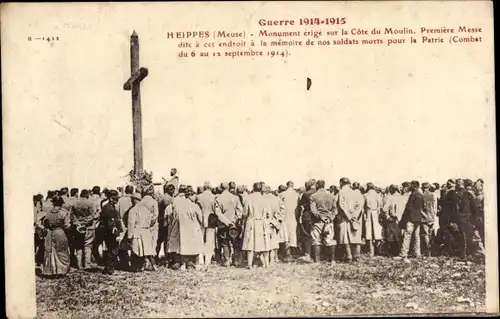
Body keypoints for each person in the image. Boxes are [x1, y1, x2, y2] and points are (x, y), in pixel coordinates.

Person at [166, 186, 204, 270]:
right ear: (190, 195)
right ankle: (194, 263)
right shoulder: (195, 206)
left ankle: (183, 263)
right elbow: (201, 219)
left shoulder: (179, 205)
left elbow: (174, 217)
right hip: (193, 228)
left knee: (183, 246)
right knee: (195, 246)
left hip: (182, 228)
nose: (195, 198)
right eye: (194, 196)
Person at [241, 182, 272, 269]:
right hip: (262, 223)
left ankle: (250, 265)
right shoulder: (265, 199)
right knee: (265, 244)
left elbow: (244, 213)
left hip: (252, 222)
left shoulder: (248, 198)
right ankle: (266, 264)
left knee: (250, 244)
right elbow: (269, 214)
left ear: (253, 188)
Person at [41, 196, 71, 277]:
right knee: (61, 251)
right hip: (59, 232)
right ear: (61, 204)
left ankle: (51, 271)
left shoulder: (48, 213)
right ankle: (61, 271)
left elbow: (44, 224)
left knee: (51, 251)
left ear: (53, 203)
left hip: (50, 233)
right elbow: (67, 225)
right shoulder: (63, 213)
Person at [395, 181, 424, 263]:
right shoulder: (420, 195)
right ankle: (417, 253)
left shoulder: (413, 195)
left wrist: (404, 219)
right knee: (416, 237)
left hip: (411, 218)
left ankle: (403, 254)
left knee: (407, 236)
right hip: (418, 219)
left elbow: (408, 207)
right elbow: (422, 207)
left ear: (414, 186)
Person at [215, 182, 243, 267]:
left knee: (225, 242)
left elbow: (218, 213)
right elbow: (240, 211)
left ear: (221, 188)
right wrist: (234, 220)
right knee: (235, 242)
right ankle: (236, 260)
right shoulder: (235, 198)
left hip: (223, 225)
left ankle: (227, 260)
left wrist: (227, 222)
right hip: (234, 224)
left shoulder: (218, 199)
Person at [309, 180, 337, 265]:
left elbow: (313, 210)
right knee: (330, 240)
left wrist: (321, 217)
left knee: (316, 240)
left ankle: (317, 261)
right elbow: (335, 210)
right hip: (329, 221)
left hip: (318, 221)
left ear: (317, 185)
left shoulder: (313, 196)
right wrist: (329, 218)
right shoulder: (331, 196)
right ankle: (332, 260)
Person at [71, 189, 99, 270]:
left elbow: (72, 216)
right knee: (88, 246)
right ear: (87, 195)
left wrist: (78, 223)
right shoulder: (91, 203)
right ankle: (87, 265)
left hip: (78, 228)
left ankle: (79, 265)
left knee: (79, 246)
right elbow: (92, 215)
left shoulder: (75, 204)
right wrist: (85, 222)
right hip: (89, 228)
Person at [337, 178, 363, 262]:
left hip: (345, 218)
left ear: (341, 183)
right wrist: (354, 215)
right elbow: (359, 205)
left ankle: (349, 256)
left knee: (346, 238)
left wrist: (348, 216)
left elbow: (341, 205)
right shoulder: (355, 193)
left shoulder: (341, 192)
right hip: (354, 217)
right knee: (355, 236)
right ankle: (357, 256)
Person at [99, 190, 123, 274]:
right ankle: (110, 269)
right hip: (110, 232)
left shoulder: (110, 206)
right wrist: (116, 233)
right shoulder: (109, 208)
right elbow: (111, 222)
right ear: (111, 198)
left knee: (111, 250)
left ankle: (108, 268)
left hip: (109, 231)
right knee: (112, 250)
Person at [263, 185, 285, 265]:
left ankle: (265, 261)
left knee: (265, 242)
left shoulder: (262, 199)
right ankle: (273, 259)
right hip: (275, 222)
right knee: (274, 242)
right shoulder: (277, 199)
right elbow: (283, 209)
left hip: (265, 222)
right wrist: (279, 220)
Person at [278, 181, 300, 260]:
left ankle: (286, 253)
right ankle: (292, 253)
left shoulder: (281, 194)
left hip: (284, 217)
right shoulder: (297, 195)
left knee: (285, 234)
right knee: (293, 234)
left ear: (287, 186)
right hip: (294, 216)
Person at [380, 185, 402, 256]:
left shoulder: (390, 198)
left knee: (391, 236)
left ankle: (392, 252)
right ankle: (399, 251)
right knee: (399, 236)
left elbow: (384, 209)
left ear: (392, 190)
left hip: (393, 218)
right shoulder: (402, 197)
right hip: (401, 219)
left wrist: (387, 216)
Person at [297, 180, 316, 262]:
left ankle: (307, 253)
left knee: (307, 235)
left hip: (308, 216)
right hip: (318, 216)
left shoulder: (306, 194)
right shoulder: (318, 192)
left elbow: (301, 204)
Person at [363, 183, 383, 257]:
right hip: (377, 214)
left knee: (369, 233)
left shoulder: (365, 195)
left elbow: (363, 206)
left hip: (368, 213)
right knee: (377, 233)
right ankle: (379, 250)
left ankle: (371, 251)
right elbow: (380, 205)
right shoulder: (378, 195)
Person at [156, 184, 175, 261]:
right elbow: (169, 210)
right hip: (165, 221)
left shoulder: (163, 197)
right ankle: (167, 257)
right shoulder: (168, 198)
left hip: (160, 220)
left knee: (160, 239)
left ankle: (156, 255)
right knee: (166, 239)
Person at [421, 182, 436, 257]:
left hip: (424, 217)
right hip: (432, 217)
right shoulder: (432, 195)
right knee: (431, 234)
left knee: (425, 235)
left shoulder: (422, 196)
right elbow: (434, 206)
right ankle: (432, 250)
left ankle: (427, 251)